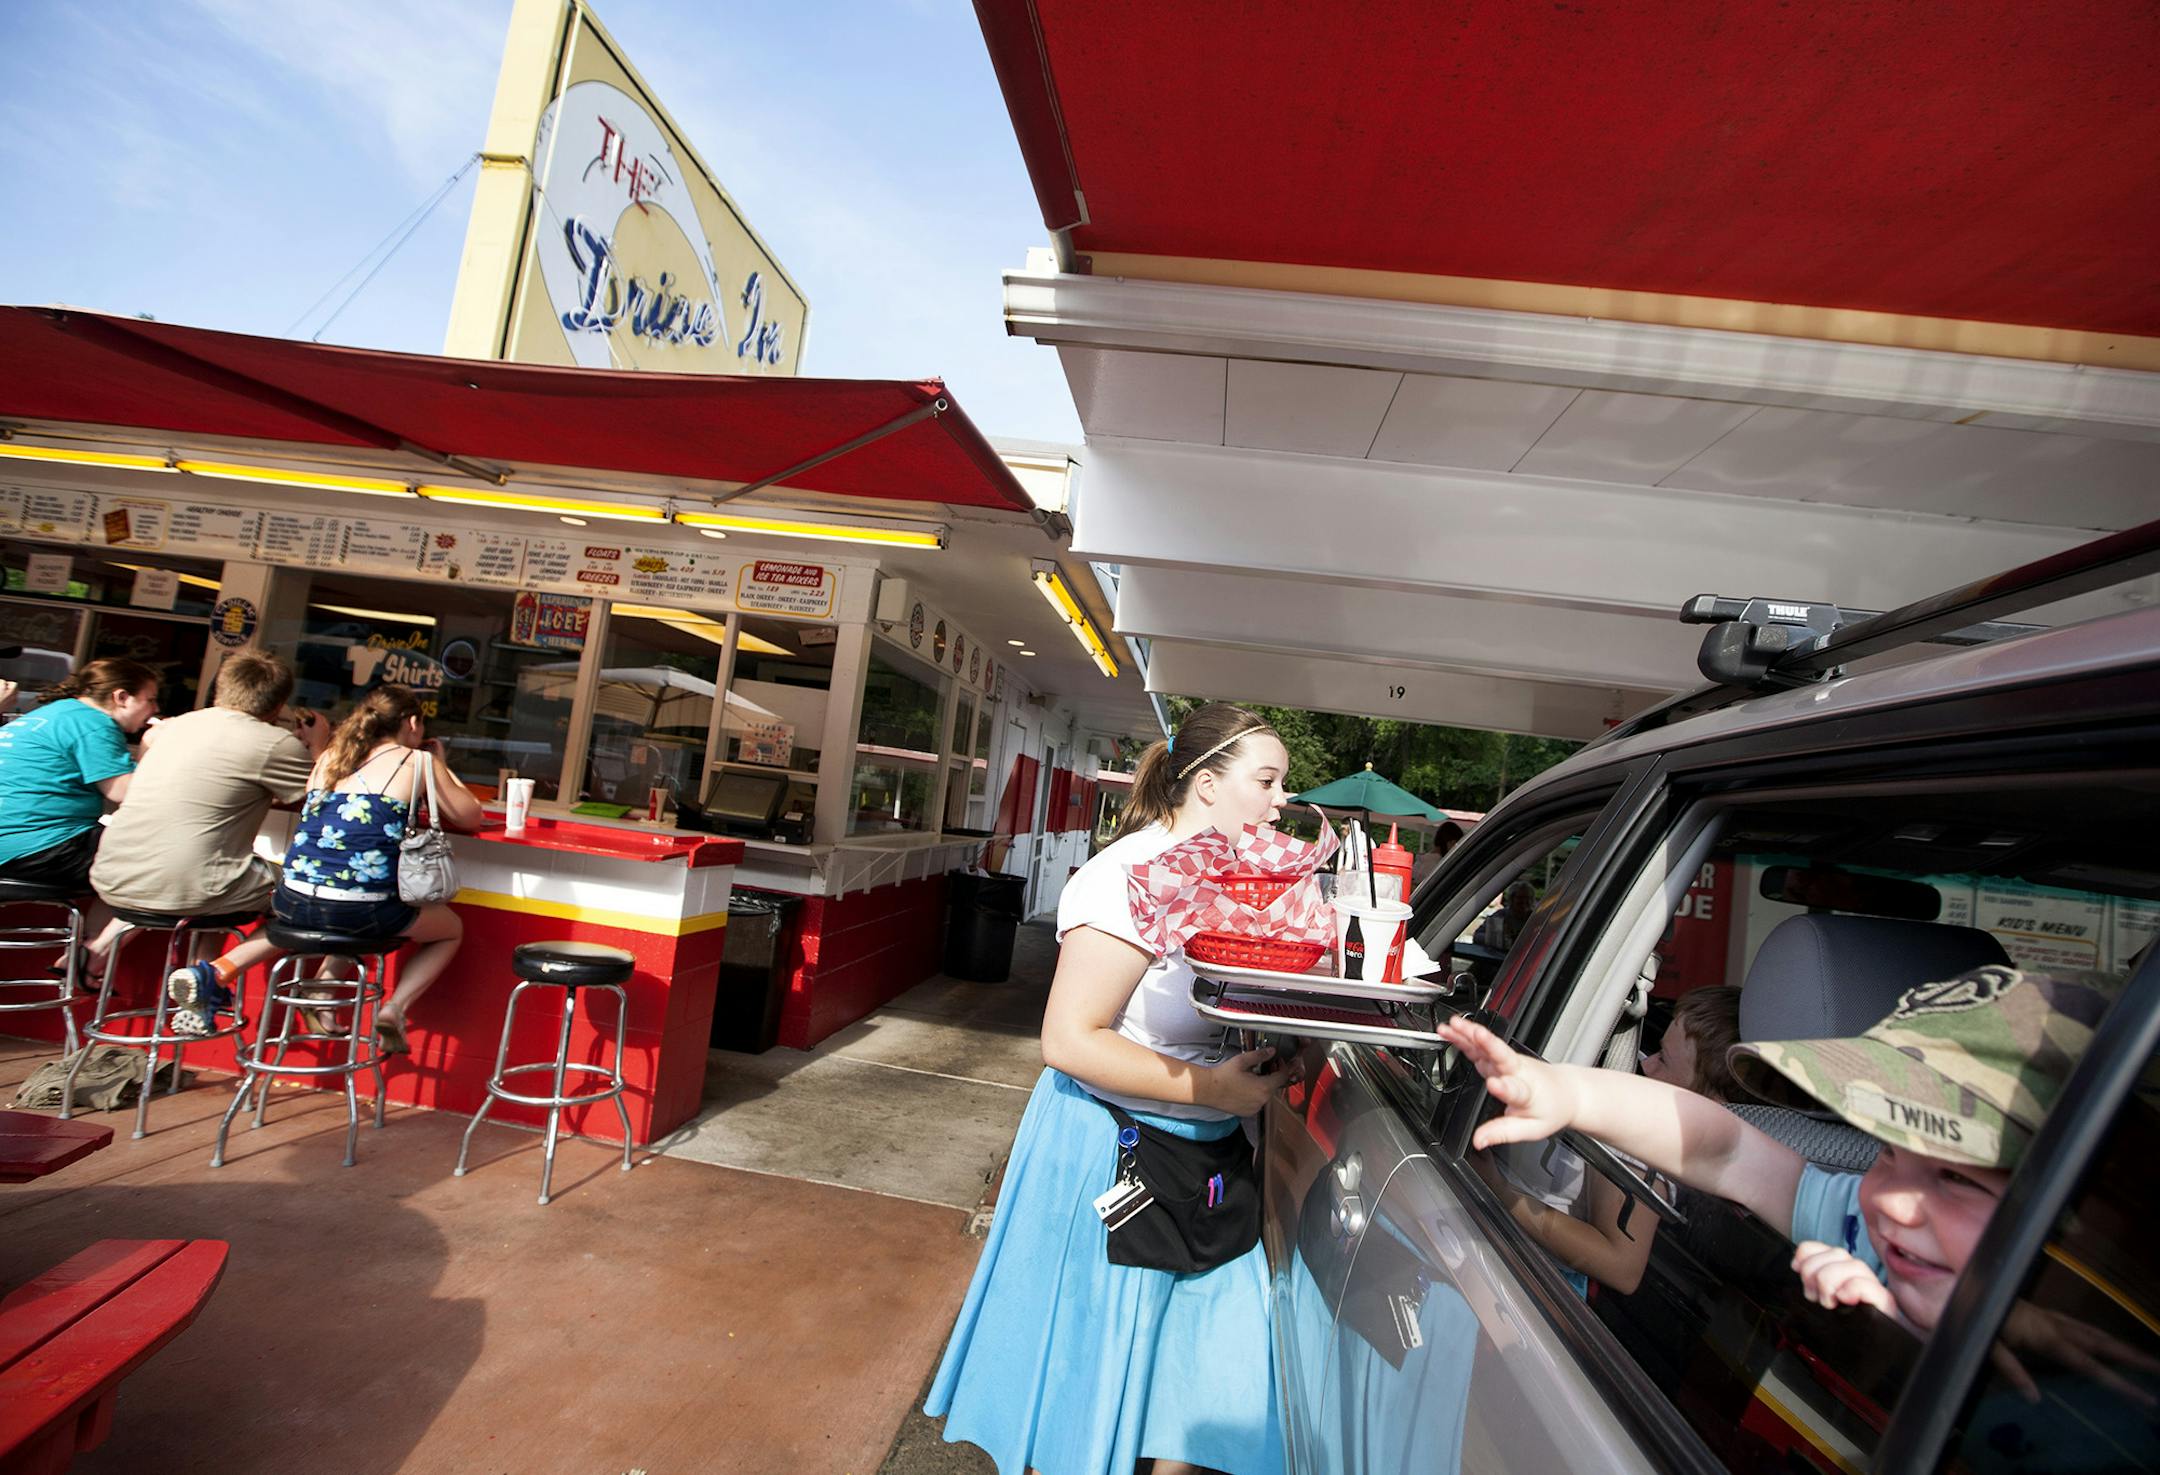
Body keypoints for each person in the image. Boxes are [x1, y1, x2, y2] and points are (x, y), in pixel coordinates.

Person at [927, 702, 1291, 1475]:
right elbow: (1066, 1039)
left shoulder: (1236, 885)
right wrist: (1215, 1091)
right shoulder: (1125, 877)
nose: (1282, 800)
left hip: (1210, 1161)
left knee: (1210, 1385)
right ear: (1205, 783)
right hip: (1110, 1152)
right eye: (1267, 780)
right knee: (1078, 1390)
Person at [1439, 965, 2115, 1335]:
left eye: (1957, 1177)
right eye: (1882, 1152)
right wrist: (1569, 1093)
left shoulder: (2106, 1363)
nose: (1896, 1203)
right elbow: (1728, 1149)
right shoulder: (1855, 1222)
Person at [168, 685, 481, 1054]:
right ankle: (394, 1009)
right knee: (446, 930)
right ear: (412, 723)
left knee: (325, 911)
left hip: (294, 897)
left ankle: (216, 970)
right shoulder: (416, 762)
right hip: (364, 909)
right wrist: (439, 763)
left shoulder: (330, 757)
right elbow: (471, 814)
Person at [91, 651, 327, 973]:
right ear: (278, 705)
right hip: (190, 886)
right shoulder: (274, 743)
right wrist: (318, 745)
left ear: (219, 690)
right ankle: (211, 976)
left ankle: (101, 954)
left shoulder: (169, 729)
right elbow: (328, 803)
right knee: (308, 894)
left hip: (111, 874)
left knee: (227, 870)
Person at [0, 657, 161, 964]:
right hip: (40, 846)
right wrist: (150, 747)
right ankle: (93, 956)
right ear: (121, 697)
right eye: (149, 700)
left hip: (14, 845)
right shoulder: (93, 722)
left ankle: (85, 956)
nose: (154, 709)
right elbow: (127, 794)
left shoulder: (48, 715)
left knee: (124, 855)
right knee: (163, 861)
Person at [1474, 880, 1535, 951]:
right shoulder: (1500, 915)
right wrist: (1498, 940)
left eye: (1527, 898)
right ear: (1512, 899)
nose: (1524, 901)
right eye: (1520, 897)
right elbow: (1477, 936)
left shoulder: (1535, 919)